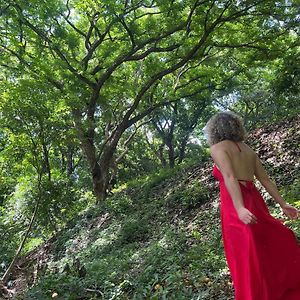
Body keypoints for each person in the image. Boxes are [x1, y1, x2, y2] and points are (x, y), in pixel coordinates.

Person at [205, 111, 300, 300]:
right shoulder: (248, 150)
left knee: (245, 254)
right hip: (254, 200)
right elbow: (264, 179)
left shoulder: (217, 148)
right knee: (261, 248)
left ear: (215, 129)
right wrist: (283, 204)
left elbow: (230, 177)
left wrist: (239, 208)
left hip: (235, 205)